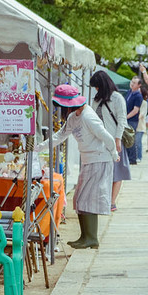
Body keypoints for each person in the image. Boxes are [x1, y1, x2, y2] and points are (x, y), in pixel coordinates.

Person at [49, 84, 118, 249]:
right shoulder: (74, 117)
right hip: (88, 160)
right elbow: (60, 135)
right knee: (79, 199)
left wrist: (114, 154)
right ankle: (85, 236)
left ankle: (91, 238)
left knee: (88, 199)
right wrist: (39, 147)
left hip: (99, 159)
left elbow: (107, 137)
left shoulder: (88, 116)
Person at [90, 71, 131, 211]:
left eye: (97, 86)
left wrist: (118, 138)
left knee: (117, 172)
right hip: (99, 141)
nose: (96, 89)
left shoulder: (117, 98)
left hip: (114, 139)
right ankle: (104, 199)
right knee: (102, 171)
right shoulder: (96, 99)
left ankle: (112, 202)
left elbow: (122, 119)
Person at [125, 76, 144, 165]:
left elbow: (135, 110)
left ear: (139, 85)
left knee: (130, 138)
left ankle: (132, 158)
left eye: (134, 83)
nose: (132, 84)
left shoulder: (138, 96)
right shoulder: (129, 92)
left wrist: (126, 117)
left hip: (132, 120)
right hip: (126, 118)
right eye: (132, 82)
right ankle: (128, 157)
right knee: (125, 138)